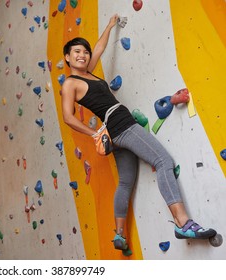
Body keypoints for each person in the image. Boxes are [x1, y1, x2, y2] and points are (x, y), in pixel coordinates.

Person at [61, 14, 216, 256]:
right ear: (68, 57)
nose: (83, 55)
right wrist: (96, 132)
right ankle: (183, 223)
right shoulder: (70, 83)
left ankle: (119, 234)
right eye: (76, 52)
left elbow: (99, 48)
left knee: (125, 182)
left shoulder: (87, 73)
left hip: (116, 134)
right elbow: (68, 117)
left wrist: (111, 26)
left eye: (85, 52)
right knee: (163, 161)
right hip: (121, 126)